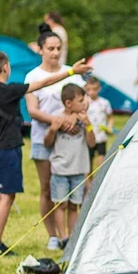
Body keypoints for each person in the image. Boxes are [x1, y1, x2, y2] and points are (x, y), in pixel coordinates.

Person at [0, 50, 86, 257]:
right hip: (8, 149)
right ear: (5, 68)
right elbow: (43, 83)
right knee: (7, 196)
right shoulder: (10, 90)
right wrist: (72, 71)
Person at [25, 30, 86, 251]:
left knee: (71, 189)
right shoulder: (32, 77)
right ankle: (53, 235)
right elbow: (32, 110)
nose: (55, 53)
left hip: (70, 142)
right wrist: (58, 121)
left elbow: (83, 102)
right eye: (50, 48)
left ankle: (70, 235)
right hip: (44, 138)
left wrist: (73, 119)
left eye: (58, 48)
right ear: (40, 50)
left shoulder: (73, 74)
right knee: (47, 189)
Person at [44, 84, 95, 245]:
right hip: (60, 169)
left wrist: (88, 125)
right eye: (80, 101)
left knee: (74, 206)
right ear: (68, 103)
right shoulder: (57, 118)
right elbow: (47, 143)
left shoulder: (84, 119)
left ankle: (71, 239)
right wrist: (53, 130)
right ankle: (62, 237)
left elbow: (92, 143)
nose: (84, 103)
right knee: (61, 204)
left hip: (79, 170)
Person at [84, 76, 114, 169]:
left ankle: (99, 180)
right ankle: (89, 182)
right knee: (88, 162)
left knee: (101, 161)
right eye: (89, 89)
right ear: (85, 88)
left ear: (99, 89)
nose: (92, 92)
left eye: (94, 89)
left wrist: (109, 127)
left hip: (101, 137)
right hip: (88, 137)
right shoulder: (84, 102)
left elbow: (110, 117)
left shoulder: (104, 102)